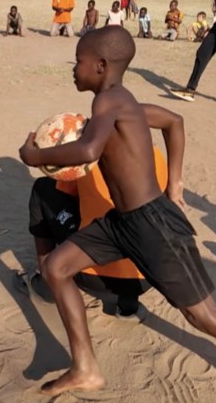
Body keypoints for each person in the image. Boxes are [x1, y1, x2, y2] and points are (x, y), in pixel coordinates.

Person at [17, 28, 216, 403]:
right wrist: (175, 184)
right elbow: (174, 121)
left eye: (78, 61)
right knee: (58, 267)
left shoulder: (109, 103)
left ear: (100, 66)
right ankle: (85, 367)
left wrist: (33, 156)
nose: (74, 68)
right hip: (121, 223)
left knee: (206, 316)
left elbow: (88, 149)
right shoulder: (120, 101)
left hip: (153, 225)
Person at [21, 104, 183, 318]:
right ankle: (128, 307)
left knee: (43, 190)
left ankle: (48, 284)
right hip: (147, 275)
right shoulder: (157, 157)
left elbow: (64, 190)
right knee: (132, 226)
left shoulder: (88, 161)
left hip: (90, 272)